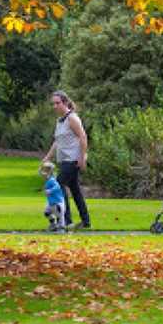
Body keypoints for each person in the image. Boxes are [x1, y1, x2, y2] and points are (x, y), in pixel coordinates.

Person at [42, 90, 91, 229]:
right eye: (53, 104)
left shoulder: (72, 118)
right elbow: (57, 142)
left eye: (57, 103)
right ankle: (85, 221)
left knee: (58, 185)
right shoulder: (59, 121)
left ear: (65, 103)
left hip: (73, 160)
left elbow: (83, 137)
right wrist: (47, 157)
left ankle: (66, 221)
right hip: (64, 160)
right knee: (75, 190)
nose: (55, 106)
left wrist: (82, 158)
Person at [39, 161, 66, 232]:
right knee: (47, 212)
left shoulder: (52, 180)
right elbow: (40, 173)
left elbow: (57, 186)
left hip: (58, 202)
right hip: (51, 202)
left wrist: (50, 191)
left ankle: (61, 227)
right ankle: (53, 224)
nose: (43, 173)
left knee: (59, 214)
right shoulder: (47, 180)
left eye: (46, 170)